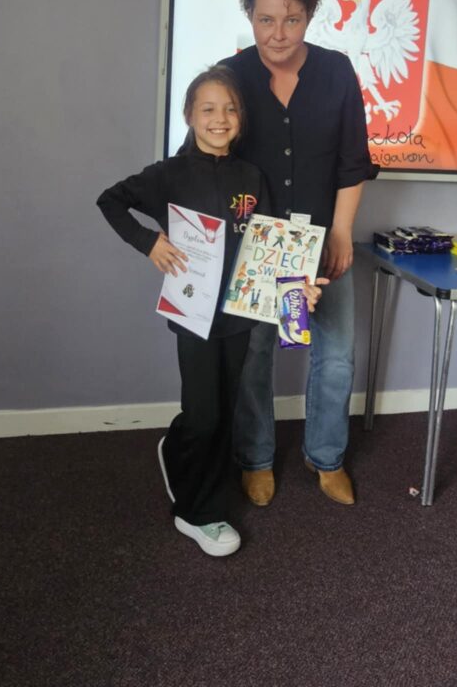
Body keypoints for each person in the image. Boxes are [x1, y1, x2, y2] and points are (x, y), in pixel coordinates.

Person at [96, 65, 322, 556]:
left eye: (229, 109)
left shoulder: (252, 177)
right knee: (205, 414)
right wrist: (148, 242)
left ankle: (180, 451)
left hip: (239, 314)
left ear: (240, 117)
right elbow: (110, 201)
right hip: (193, 313)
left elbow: (272, 247)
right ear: (189, 115)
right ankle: (198, 514)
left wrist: (298, 291)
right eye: (208, 109)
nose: (220, 119)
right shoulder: (169, 175)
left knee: (222, 410)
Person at [220, 0, 378, 507]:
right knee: (255, 355)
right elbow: (213, 159)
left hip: (324, 237)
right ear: (250, 16)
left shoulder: (336, 71)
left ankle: (326, 457)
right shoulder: (231, 75)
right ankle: (256, 459)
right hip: (257, 243)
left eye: (291, 20)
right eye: (266, 20)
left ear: (309, 17)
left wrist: (342, 232)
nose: (278, 34)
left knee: (335, 355)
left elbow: (353, 160)